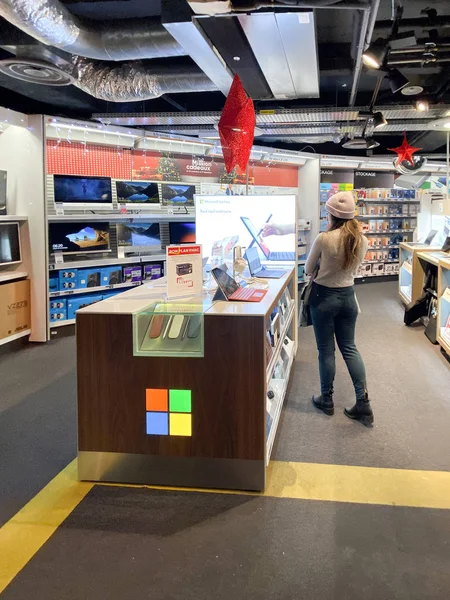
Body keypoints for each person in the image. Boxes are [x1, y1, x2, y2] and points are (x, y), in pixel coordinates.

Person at [305, 191, 373, 427]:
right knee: (350, 348)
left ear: (332, 215)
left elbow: (307, 268)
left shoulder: (324, 238)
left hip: (323, 298)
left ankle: (327, 399)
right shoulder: (361, 240)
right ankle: (363, 403)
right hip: (348, 298)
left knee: (326, 351)